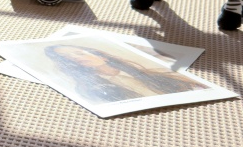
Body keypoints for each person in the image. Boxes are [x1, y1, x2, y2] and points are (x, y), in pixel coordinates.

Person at [43, 43, 206, 103]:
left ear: (100, 55)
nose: (77, 58)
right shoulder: (90, 88)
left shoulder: (153, 72)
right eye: (68, 58)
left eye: (78, 53)